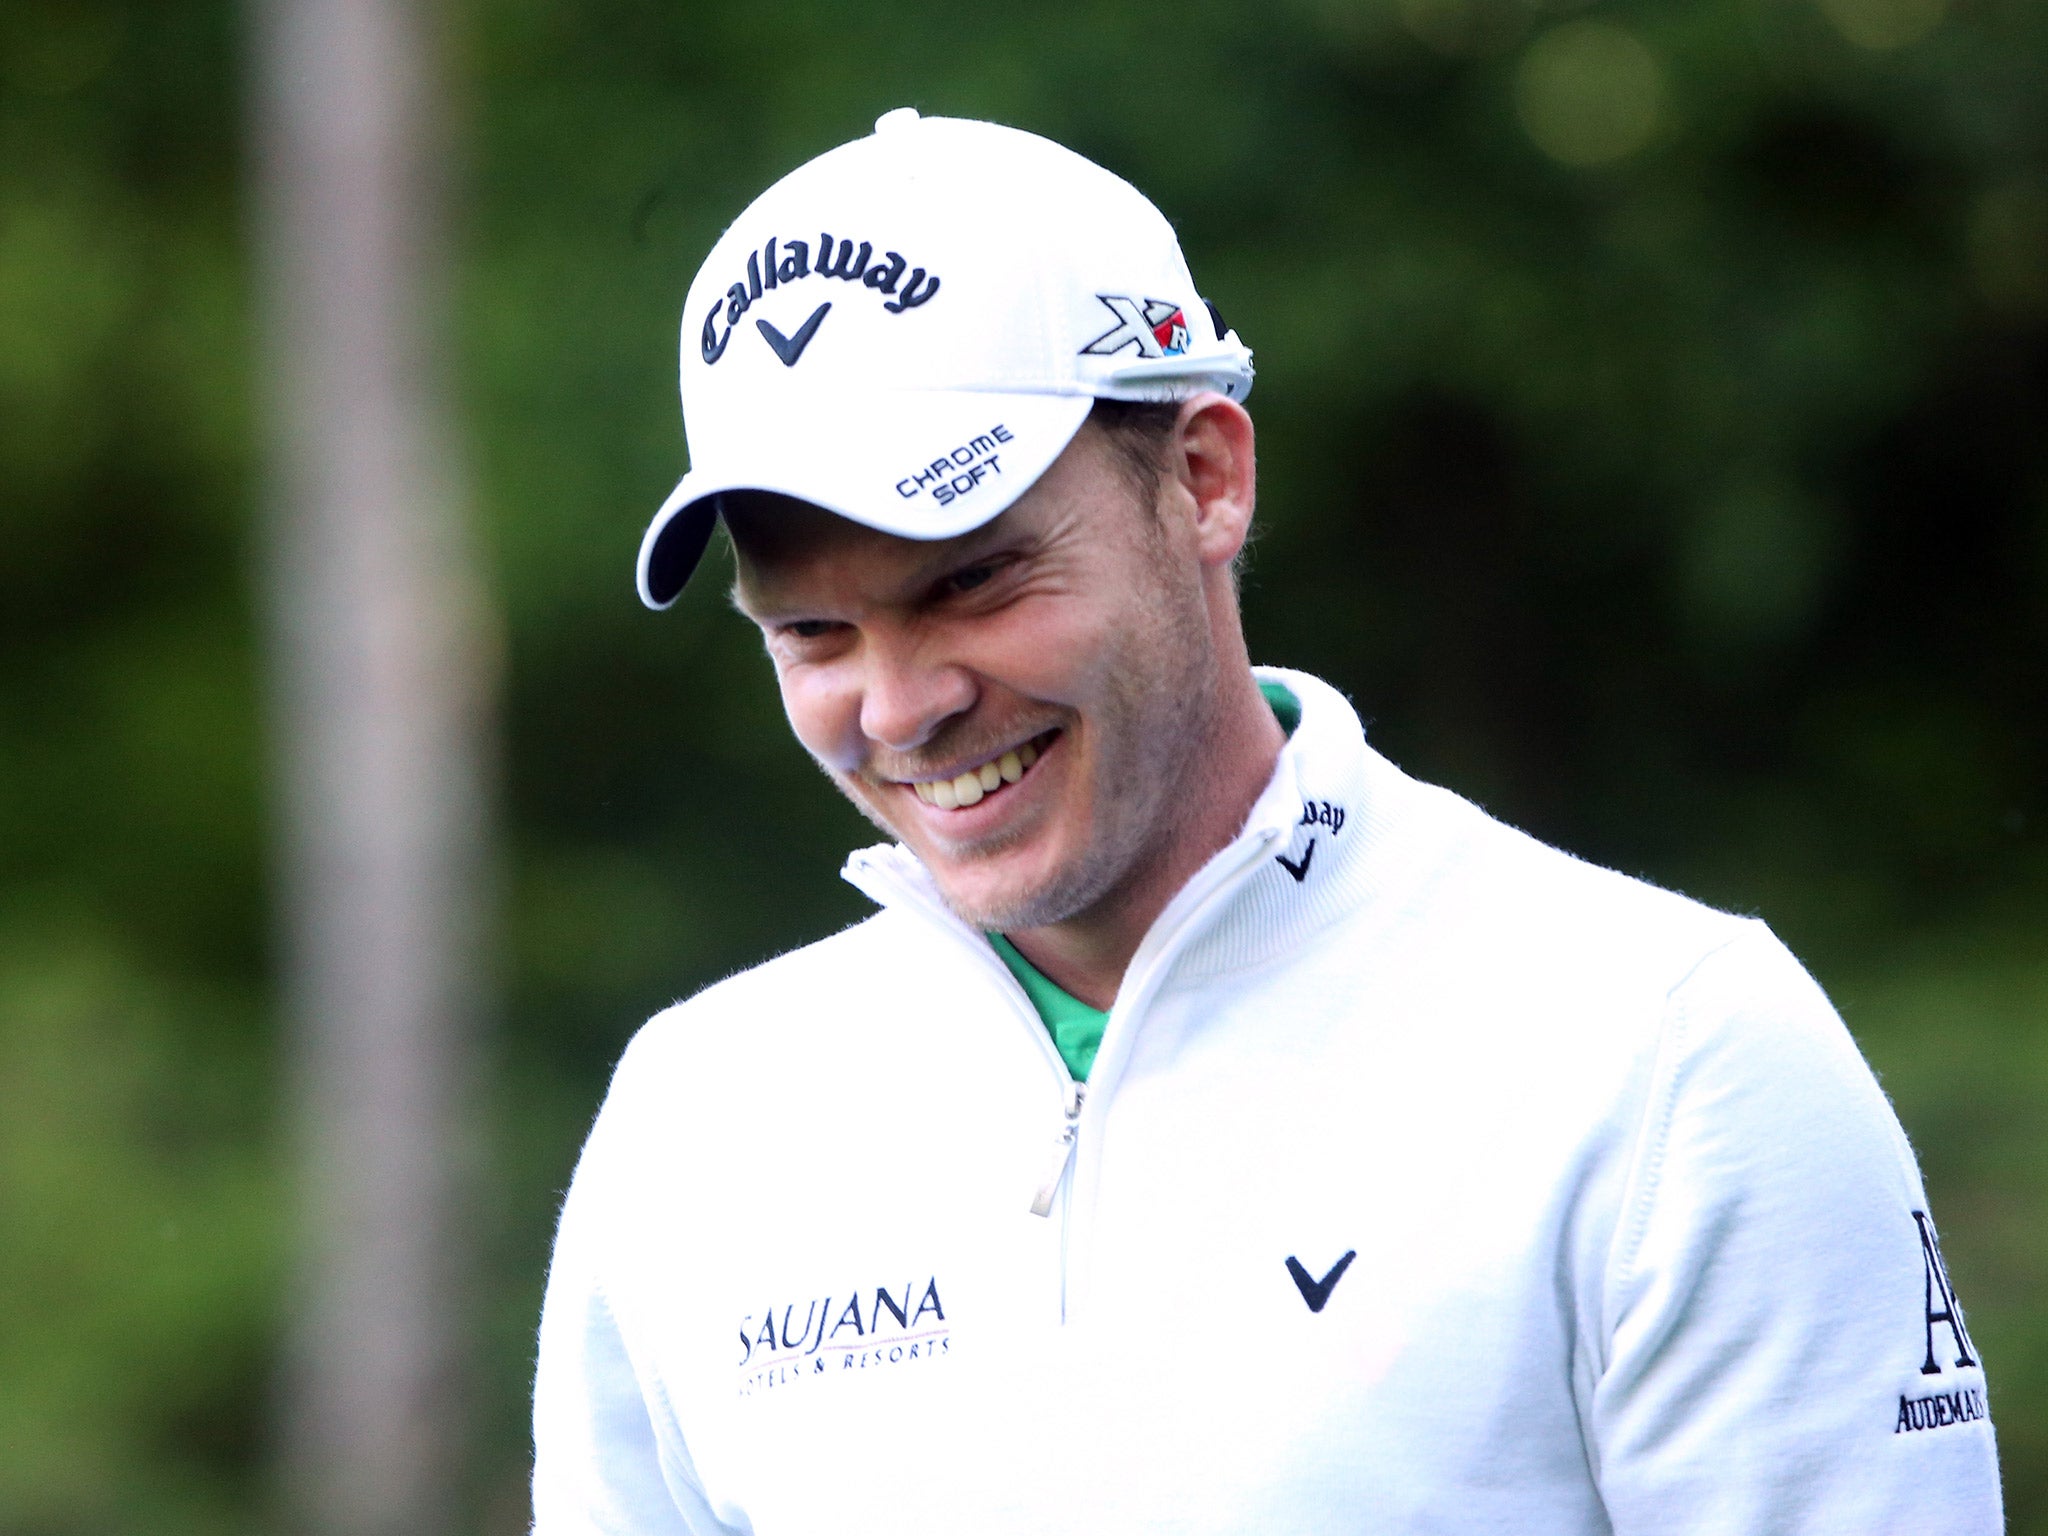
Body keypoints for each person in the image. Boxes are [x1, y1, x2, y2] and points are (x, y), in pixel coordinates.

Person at [531, 109, 2002, 1534]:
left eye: (974, 584)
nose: (902, 707)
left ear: (1204, 477)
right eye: (812, 636)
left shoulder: (1667, 1053)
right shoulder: (695, 1122)